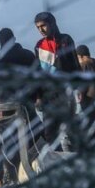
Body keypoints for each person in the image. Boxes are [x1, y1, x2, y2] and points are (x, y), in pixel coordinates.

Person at [33, 12, 79, 149]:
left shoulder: (66, 40)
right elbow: (38, 74)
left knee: (69, 129)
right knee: (50, 132)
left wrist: (78, 88)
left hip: (66, 92)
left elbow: (74, 64)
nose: (41, 30)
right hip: (48, 95)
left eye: (43, 26)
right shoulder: (39, 45)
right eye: (38, 27)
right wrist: (39, 96)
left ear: (52, 24)